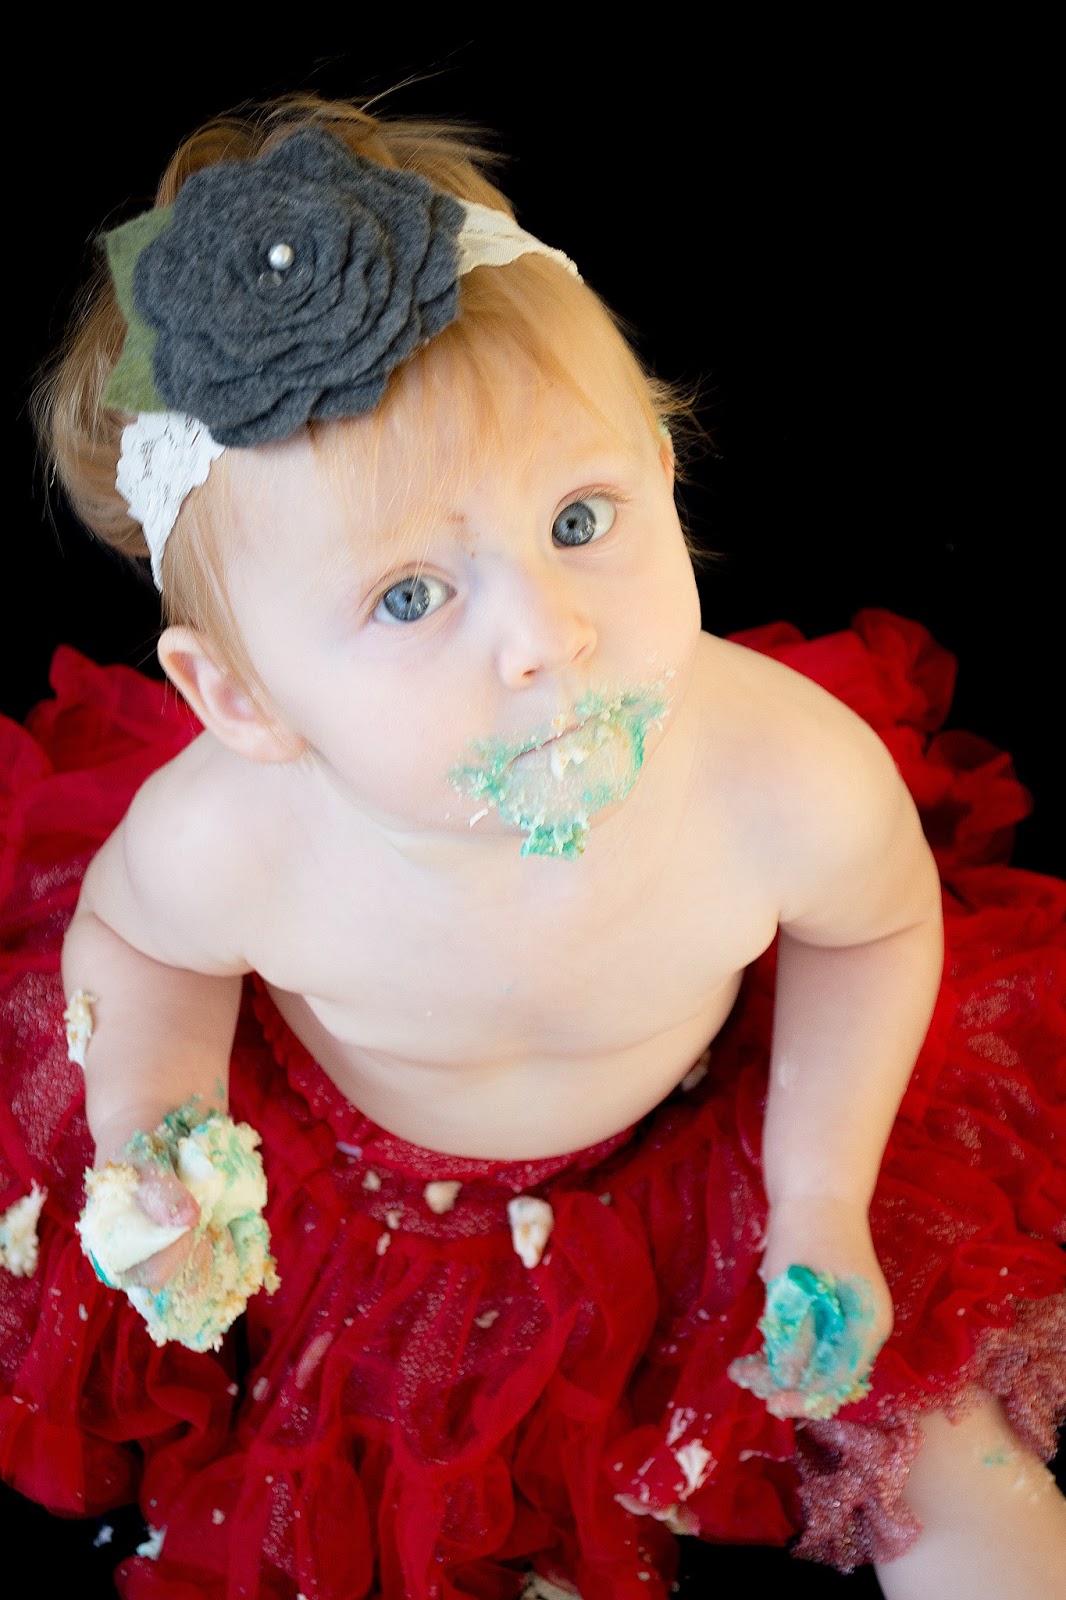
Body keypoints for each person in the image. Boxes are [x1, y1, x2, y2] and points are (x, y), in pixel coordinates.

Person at [1, 93, 1063, 1600]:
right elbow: (139, 949)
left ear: (664, 471)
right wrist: (155, 1133)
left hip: (703, 1159)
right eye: (411, 597)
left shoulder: (778, 777)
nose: (546, 636)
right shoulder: (234, 838)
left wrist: (819, 1193)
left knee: (945, 1455)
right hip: (352, 1201)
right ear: (242, 699)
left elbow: (875, 930)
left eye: (578, 519)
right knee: (362, 1505)